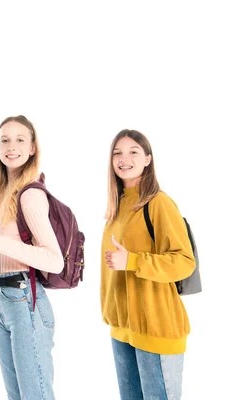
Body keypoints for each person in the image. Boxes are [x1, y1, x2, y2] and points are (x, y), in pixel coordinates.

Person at [101, 129, 196, 400]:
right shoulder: (116, 208)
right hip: (123, 329)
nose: (123, 158)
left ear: (147, 160)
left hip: (156, 327)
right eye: (117, 152)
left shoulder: (159, 204)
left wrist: (131, 261)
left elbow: (184, 262)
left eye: (133, 152)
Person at [0, 115, 64, 400]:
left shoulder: (30, 196)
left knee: (35, 395)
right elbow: (2, 264)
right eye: (5, 140)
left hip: (26, 301)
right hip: (4, 300)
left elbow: (54, 260)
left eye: (20, 139)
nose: (11, 146)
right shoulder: (0, 198)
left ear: (33, 148)